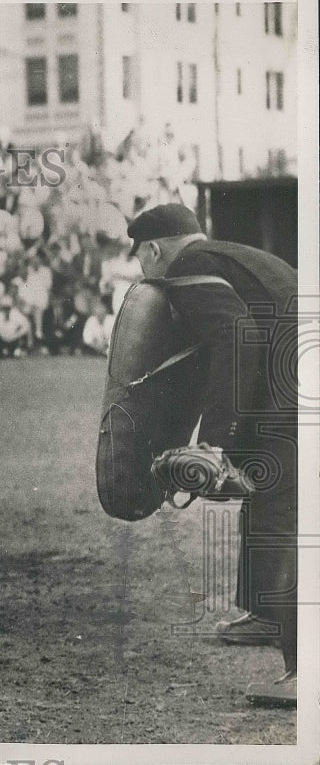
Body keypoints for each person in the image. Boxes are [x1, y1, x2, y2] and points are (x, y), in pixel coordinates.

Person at [126, 203, 298, 706]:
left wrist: (218, 438)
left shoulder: (186, 268)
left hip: (290, 397)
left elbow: (234, 338)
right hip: (293, 382)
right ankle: (266, 615)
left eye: (139, 258)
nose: (142, 268)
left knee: (279, 516)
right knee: (270, 501)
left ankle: (304, 673)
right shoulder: (232, 254)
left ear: (154, 249)